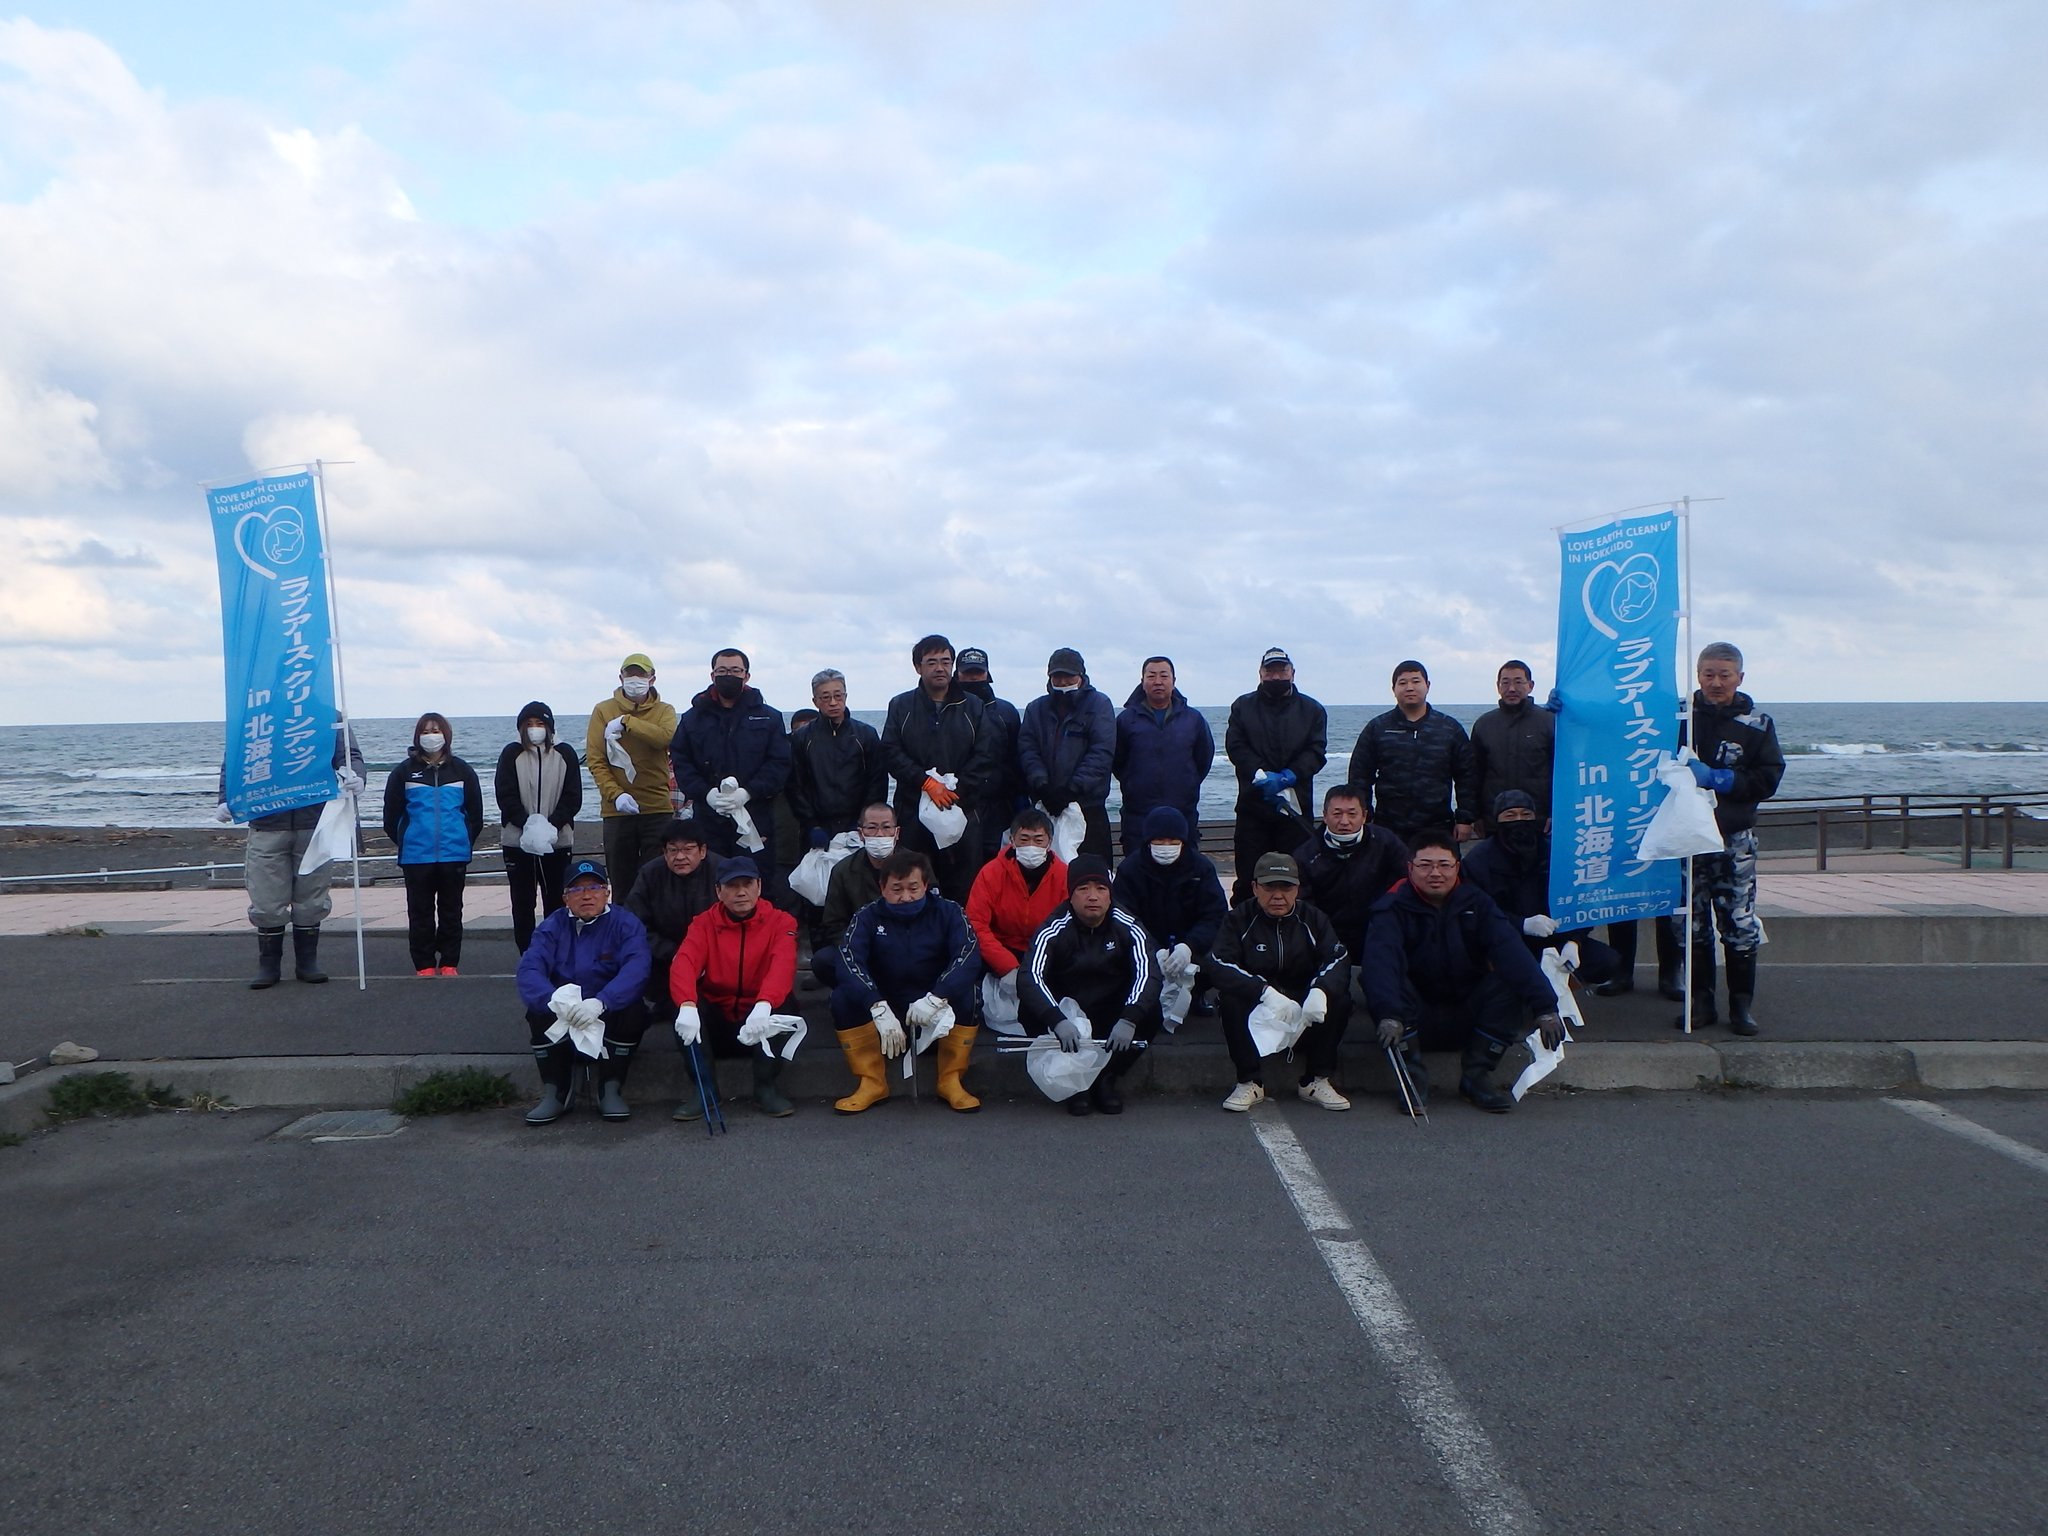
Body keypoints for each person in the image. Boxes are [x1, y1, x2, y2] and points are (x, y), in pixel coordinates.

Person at [1360, 830, 1564, 1115]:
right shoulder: (1390, 908)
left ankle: (1476, 1076)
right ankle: (1412, 1078)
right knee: (1387, 982)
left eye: (1444, 865)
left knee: (1508, 982)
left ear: (1457, 867)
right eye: (1425, 865)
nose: (1435, 873)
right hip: (1412, 1019)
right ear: (1410, 868)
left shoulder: (1478, 903)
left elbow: (1512, 953)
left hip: (1469, 1012)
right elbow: (1380, 964)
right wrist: (1388, 1013)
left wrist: (1546, 1007)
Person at [1675, 642, 1786, 1035]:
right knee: (1690, 924)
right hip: (1686, 839)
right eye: (1708, 674)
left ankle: (1741, 1006)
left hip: (1732, 837)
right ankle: (1701, 1003)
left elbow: (1768, 777)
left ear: (1740, 677)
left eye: (1724, 675)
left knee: (1738, 922)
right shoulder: (1679, 717)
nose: (1716, 682)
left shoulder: (1757, 724)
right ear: (1698, 675)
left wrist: (1720, 779)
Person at [829, 847, 983, 1114]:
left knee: (969, 992)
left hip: (935, 1004)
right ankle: (872, 1081)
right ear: (882, 888)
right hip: (888, 1003)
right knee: (842, 997)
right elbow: (848, 960)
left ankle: (951, 1079)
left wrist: (937, 997)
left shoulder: (949, 912)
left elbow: (968, 955)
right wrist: (876, 1004)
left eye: (913, 888)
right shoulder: (867, 916)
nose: (905, 897)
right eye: (896, 889)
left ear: (925, 885)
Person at [216, 717, 366, 988]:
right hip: (267, 822)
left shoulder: (327, 713)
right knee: (266, 898)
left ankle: (307, 961)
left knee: (312, 896)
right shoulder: (257, 712)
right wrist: (226, 798)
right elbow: (236, 758)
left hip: (315, 820)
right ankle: (269, 964)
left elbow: (348, 753)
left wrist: (356, 776)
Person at [1205, 852, 1353, 1112]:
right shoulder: (1239, 918)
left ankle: (1316, 1080)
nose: (1278, 896)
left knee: (1339, 1000)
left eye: (1286, 888)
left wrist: (1320, 990)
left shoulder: (1313, 918)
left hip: (1302, 1004)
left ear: (1297, 889)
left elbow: (1338, 958)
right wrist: (1263, 991)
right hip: (1259, 1004)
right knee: (1230, 1000)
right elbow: (1218, 963)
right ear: (1255, 888)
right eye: (1269, 887)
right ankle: (1249, 1081)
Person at [1020, 853, 1162, 1116]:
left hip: (1111, 1006)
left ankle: (1107, 1078)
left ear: (1110, 894)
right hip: (1068, 1008)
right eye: (1083, 889)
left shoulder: (1128, 925)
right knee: (1029, 1009)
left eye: (1101, 889)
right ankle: (1076, 1085)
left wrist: (1130, 1018)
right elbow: (1030, 976)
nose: (1093, 896)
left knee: (1151, 1012)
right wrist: (1057, 1020)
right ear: (1071, 895)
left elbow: (1149, 972)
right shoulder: (1054, 927)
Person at [515, 857, 651, 1125]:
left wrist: (602, 1002)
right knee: (537, 1012)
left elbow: (637, 967)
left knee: (633, 1011)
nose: (586, 895)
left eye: (594, 887)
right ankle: (557, 1092)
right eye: (577, 889)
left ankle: (610, 1087)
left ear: (607, 892)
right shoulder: (552, 926)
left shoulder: (626, 923)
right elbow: (530, 968)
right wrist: (553, 1000)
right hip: (565, 1012)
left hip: (606, 1009)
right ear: (565, 897)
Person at [669, 855, 801, 1119]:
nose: (741, 892)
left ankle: (765, 1087)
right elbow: (684, 962)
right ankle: (705, 1090)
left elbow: (783, 964)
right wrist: (687, 1004)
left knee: (785, 1004)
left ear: (759, 886)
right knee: (683, 1009)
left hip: (759, 1018)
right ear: (718, 891)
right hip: (720, 1017)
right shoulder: (703, 923)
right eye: (732, 885)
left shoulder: (782, 921)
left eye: (747, 884)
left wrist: (765, 1003)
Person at [880, 634, 999, 901]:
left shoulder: (973, 706)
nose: (939, 668)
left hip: (962, 810)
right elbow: (890, 751)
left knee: (963, 888)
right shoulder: (900, 706)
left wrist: (957, 790)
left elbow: (985, 755)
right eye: (931, 662)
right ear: (918, 667)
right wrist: (925, 782)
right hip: (913, 811)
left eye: (946, 661)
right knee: (914, 884)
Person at [1460, 790, 1620, 987]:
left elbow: (1580, 900)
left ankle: (1562, 985)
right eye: (1510, 815)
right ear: (1497, 820)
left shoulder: (1556, 853)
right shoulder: (1478, 860)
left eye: (1526, 814)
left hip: (1554, 937)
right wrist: (1522, 924)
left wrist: (1574, 941)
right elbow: (1475, 910)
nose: (1519, 820)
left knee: (1606, 961)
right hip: (1505, 937)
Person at [668, 648, 791, 872]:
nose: (729, 676)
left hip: (755, 816)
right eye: (722, 671)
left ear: (747, 675)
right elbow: (681, 761)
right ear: (712, 675)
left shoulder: (769, 717)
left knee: (755, 877)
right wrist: (707, 794)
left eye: (735, 670)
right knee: (710, 879)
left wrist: (748, 792)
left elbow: (779, 763)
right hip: (708, 818)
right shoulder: (692, 718)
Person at [381, 712, 484, 977]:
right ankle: (424, 964)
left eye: (436, 730)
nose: (431, 736)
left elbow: (475, 815)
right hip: (416, 856)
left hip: (454, 854)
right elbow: (391, 816)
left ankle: (449, 962)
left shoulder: (462, 770)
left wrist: (462, 839)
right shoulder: (403, 772)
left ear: (446, 735)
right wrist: (408, 839)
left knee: (452, 911)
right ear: (418, 736)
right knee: (420, 913)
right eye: (425, 731)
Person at [1223, 647, 1327, 902]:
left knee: (1297, 878)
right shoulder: (1242, 706)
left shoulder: (1312, 710)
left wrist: (1289, 776)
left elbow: (1316, 751)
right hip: (1253, 809)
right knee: (1248, 880)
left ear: (1293, 673)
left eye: (1282, 670)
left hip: (1295, 811)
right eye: (1270, 671)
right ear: (1260, 673)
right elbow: (1236, 746)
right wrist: (1260, 774)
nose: (1277, 676)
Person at [1111, 807, 1228, 1015]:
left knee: (1220, 954)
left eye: (1173, 841)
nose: (1166, 847)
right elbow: (1123, 917)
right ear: (1148, 841)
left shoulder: (1201, 868)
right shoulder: (1130, 870)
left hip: (1190, 946)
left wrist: (1189, 946)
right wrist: (1151, 949)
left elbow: (1215, 914)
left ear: (1183, 841)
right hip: (1146, 946)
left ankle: (1196, 994)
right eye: (1159, 840)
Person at [1346, 660, 1478, 841]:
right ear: (1393, 689)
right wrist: (1364, 816)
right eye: (1402, 683)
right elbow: (1359, 776)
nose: (1409, 687)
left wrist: (1465, 818)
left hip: (1438, 826)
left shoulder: (1449, 728)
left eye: (1416, 681)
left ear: (1427, 685)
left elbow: (1467, 776)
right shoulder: (1378, 728)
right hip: (1388, 827)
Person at [588, 653, 679, 904]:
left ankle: (655, 929)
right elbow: (596, 760)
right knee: (622, 884)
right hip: (617, 812)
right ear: (621, 677)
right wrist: (616, 795)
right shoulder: (602, 710)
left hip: (657, 810)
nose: (635, 679)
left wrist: (628, 722)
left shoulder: (665, 710)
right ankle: (622, 928)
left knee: (658, 883)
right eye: (630, 674)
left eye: (641, 674)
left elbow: (664, 738)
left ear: (652, 679)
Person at [493, 701, 583, 953]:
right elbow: (505, 795)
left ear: (550, 727)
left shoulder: (565, 753)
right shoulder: (511, 753)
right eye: (529, 724)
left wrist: (551, 825)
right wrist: (528, 823)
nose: (534, 728)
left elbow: (573, 796)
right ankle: (528, 954)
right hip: (518, 842)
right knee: (522, 903)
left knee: (557, 900)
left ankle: (557, 953)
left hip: (557, 841)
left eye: (540, 723)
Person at [1017, 646, 1117, 858]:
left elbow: (1101, 753)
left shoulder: (1100, 705)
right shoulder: (1035, 709)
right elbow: (1028, 749)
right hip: (1045, 806)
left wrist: (1072, 789)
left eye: (1068, 676)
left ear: (1081, 676)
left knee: (1093, 869)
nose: (1062, 682)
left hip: (1089, 807)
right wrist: (1042, 785)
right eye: (1057, 676)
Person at [966, 809, 1070, 1010]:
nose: (1031, 846)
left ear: (1049, 842)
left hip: (1046, 951)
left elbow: (1069, 926)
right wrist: (1006, 966)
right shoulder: (991, 873)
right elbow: (976, 924)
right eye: (1024, 839)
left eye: (1038, 840)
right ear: (1012, 840)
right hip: (1001, 949)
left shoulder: (1064, 875)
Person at [1112, 655, 1215, 856]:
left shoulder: (1193, 719)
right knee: (1137, 868)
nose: (1158, 681)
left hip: (1183, 811)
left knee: (1185, 870)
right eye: (1151, 676)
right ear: (1142, 682)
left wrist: (1188, 782)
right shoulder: (1125, 720)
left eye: (1164, 676)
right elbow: (1117, 762)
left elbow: (1204, 758)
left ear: (1173, 681)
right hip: (1138, 814)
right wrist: (1133, 783)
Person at [625, 817, 720, 1024]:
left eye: (688, 849)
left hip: (714, 957)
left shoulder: (722, 871)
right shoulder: (650, 874)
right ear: (664, 852)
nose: (680, 857)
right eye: (673, 850)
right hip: (666, 956)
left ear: (702, 851)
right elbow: (633, 924)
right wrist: (672, 952)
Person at [788, 668, 887, 848]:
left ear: (845, 696)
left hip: (858, 826)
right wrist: (811, 824)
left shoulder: (865, 734)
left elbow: (877, 782)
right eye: (825, 697)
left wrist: (865, 821)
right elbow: (796, 785)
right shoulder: (802, 738)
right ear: (815, 701)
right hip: (816, 828)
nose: (833, 702)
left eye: (838, 696)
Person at [814, 803, 899, 988]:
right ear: (861, 833)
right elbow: (833, 924)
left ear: (897, 832)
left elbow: (932, 913)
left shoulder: (916, 866)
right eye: (872, 828)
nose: (879, 834)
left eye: (886, 827)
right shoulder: (843, 871)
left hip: (907, 947)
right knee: (823, 960)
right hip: (861, 948)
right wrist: (862, 947)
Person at [953, 646, 1022, 863]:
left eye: (978, 672)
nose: (973, 678)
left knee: (997, 865)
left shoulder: (1006, 712)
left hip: (999, 808)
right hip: (958, 804)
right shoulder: (947, 710)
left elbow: (1017, 761)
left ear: (987, 674)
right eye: (967, 673)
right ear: (957, 675)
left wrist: (1020, 805)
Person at [1470, 660, 1556, 832]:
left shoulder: (1549, 722)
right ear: (1498, 686)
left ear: (1530, 686)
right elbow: (1473, 774)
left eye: (1518, 682)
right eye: (1505, 682)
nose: (1511, 689)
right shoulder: (1484, 724)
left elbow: (1562, 772)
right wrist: (1475, 815)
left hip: (1539, 819)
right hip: (1496, 818)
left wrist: (1555, 812)